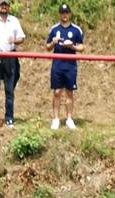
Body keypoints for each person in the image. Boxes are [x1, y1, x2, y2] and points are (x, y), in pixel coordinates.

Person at [46, 3, 85, 131]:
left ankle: (69, 118)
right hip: (57, 64)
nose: (64, 15)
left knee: (69, 92)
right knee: (57, 92)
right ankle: (56, 119)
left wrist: (72, 46)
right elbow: (47, 47)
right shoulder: (54, 29)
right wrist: (53, 42)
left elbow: (81, 47)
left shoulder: (76, 30)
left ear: (70, 14)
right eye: (62, 13)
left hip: (70, 65)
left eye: (66, 13)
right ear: (59, 14)